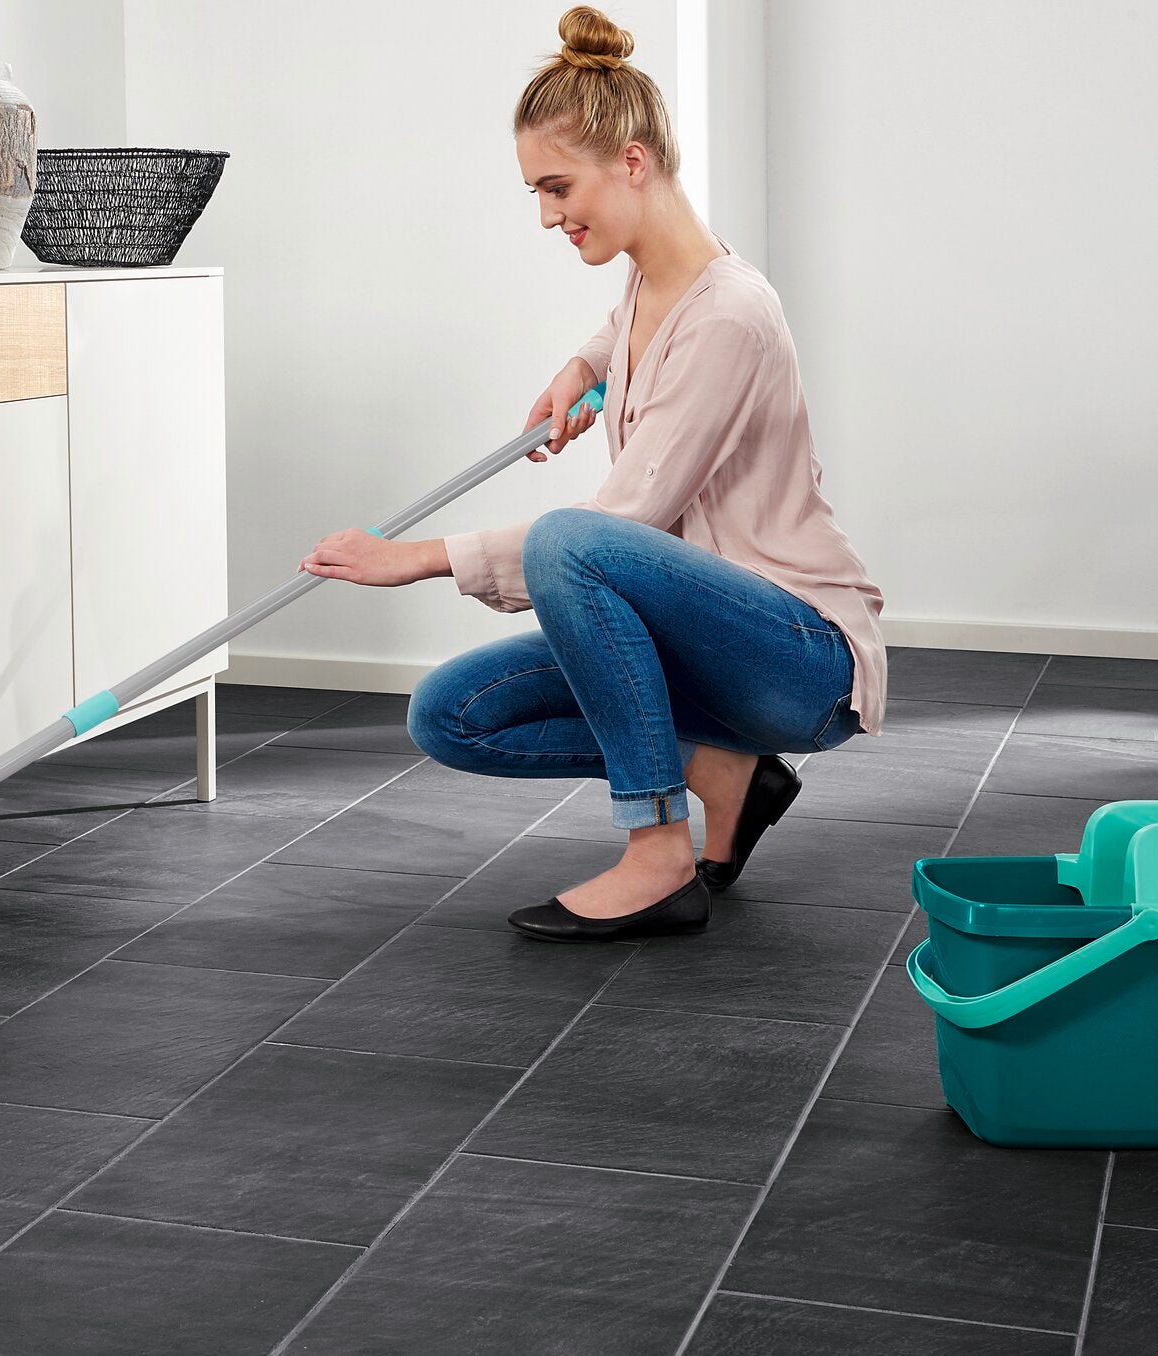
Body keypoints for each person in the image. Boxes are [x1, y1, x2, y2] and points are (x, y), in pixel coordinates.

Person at [300, 5, 886, 942]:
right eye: (538, 192)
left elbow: (621, 525)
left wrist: (416, 558)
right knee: (451, 713)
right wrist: (583, 368)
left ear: (633, 163)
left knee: (572, 542)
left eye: (557, 187)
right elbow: (626, 331)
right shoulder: (654, 279)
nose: (547, 215)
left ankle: (658, 854)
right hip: (710, 646)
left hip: (797, 655)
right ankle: (723, 771)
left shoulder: (731, 315)